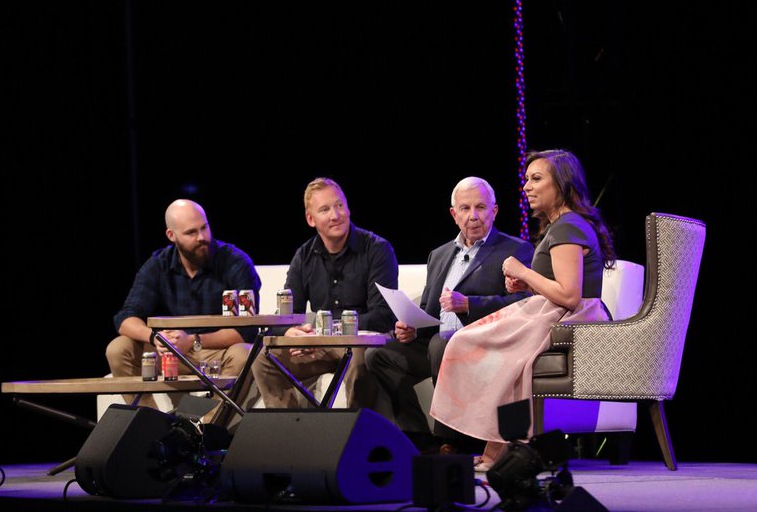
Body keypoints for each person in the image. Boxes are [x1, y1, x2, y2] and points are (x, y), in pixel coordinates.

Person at [429, 149, 616, 472]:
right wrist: (527, 285)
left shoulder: (569, 227)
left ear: (562, 184)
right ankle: (494, 450)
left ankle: (496, 449)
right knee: (468, 342)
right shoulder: (562, 226)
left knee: (470, 344)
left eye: (537, 179)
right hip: (551, 311)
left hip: (568, 320)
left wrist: (524, 271)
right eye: (527, 179)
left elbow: (571, 296)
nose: (527, 186)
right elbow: (561, 285)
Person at [365, 176, 534, 449]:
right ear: (454, 215)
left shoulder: (515, 249)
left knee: (442, 343)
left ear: (495, 211)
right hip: (436, 346)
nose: (474, 216)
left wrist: (470, 305)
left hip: (483, 346)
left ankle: (450, 440)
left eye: (481, 207)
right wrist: (410, 327)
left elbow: (523, 301)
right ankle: (417, 437)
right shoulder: (439, 255)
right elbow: (428, 309)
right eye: (465, 209)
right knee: (378, 355)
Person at [252, 177, 398, 411]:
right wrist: (293, 332)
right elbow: (286, 315)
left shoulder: (377, 250)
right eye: (325, 209)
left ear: (348, 208)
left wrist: (325, 333)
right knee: (264, 360)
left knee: (359, 357)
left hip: (360, 343)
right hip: (318, 345)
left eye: (339, 205)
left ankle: (354, 435)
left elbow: (382, 316)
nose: (335, 215)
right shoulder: (304, 256)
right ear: (311, 219)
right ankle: (290, 433)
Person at [108, 199, 261, 419]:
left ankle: (204, 429)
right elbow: (125, 318)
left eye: (204, 227)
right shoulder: (159, 264)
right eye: (191, 232)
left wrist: (193, 340)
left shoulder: (235, 262)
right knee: (118, 348)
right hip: (172, 352)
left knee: (244, 354)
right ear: (172, 236)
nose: (202, 238)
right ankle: (149, 424)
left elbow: (247, 331)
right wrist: (156, 338)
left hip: (217, 351)